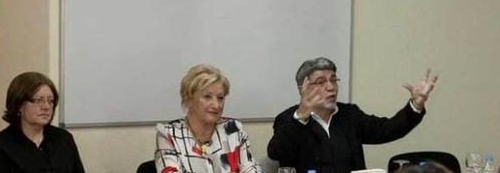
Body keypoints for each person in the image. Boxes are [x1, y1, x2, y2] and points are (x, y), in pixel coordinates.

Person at [268, 57, 438, 173]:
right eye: (321, 81)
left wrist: (416, 104)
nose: (331, 87)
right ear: (302, 89)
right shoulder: (289, 119)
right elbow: (277, 152)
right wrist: (302, 114)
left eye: (333, 79)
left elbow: (388, 129)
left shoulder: (349, 115)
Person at [155, 64, 262, 173]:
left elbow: (250, 168)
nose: (216, 105)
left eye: (220, 98)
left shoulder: (232, 129)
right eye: (207, 97)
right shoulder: (169, 134)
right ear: (189, 99)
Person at [0, 72, 86, 173]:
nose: (46, 107)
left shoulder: (64, 138)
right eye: (38, 100)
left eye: (50, 101)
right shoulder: (0, 146)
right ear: (19, 104)